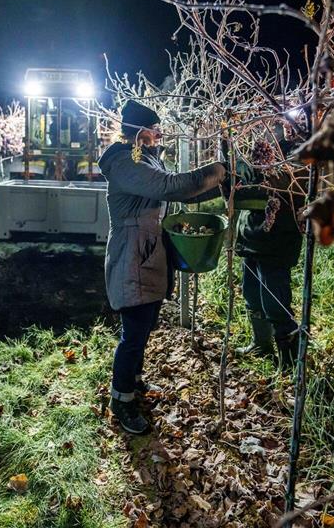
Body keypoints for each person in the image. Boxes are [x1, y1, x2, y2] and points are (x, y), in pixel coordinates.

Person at [98, 100, 226, 434]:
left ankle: (135, 381)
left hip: (147, 252)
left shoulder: (145, 159)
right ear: (141, 131)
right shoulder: (126, 163)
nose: (160, 133)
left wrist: (220, 184)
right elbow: (171, 187)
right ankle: (121, 400)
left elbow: (180, 192)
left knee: (144, 325)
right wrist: (220, 169)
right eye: (155, 129)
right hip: (132, 255)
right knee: (133, 334)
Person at [232, 137, 304, 370]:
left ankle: (289, 364)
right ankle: (261, 343)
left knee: (275, 303)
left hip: (277, 240)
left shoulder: (298, 150)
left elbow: (290, 186)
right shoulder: (252, 143)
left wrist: (265, 174)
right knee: (251, 295)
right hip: (251, 234)